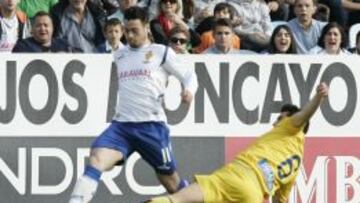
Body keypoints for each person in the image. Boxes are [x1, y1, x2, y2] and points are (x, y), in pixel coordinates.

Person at [68, 6, 198, 203]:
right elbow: (115, 44)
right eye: (126, 30)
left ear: (147, 27)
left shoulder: (161, 52)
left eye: (134, 30)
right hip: (122, 127)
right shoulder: (120, 54)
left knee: (172, 184)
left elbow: (189, 75)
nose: (129, 35)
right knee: (96, 159)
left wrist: (189, 90)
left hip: (152, 127)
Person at [147, 82, 329, 203]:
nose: (274, 123)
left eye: (279, 118)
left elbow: (304, 115)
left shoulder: (290, 128)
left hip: (239, 175)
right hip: (255, 196)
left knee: (176, 200)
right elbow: (280, 200)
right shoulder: (297, 163)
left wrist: (319, 97)